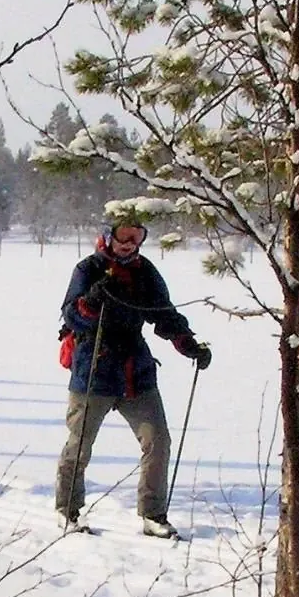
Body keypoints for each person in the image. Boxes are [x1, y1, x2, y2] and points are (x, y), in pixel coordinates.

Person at [54, 217, 210, 539]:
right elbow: (71, 316)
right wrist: (92, 301)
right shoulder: (88, 269)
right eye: (123, 236)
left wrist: (188, 344)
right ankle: (67, 510)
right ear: (108, 236)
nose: (128, 244)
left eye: (135, 237)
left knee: (158, 441)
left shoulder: (145, 272)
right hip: (93, 369)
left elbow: (163, 314)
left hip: (134, 372)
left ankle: (153, 514)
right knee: (80, 444)